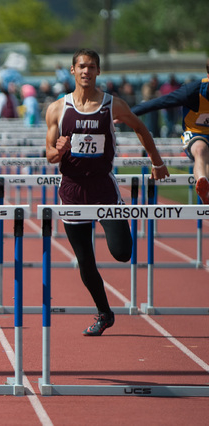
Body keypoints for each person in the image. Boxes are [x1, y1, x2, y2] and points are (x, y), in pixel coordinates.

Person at [45, 49, 170, 336]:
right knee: (85, 262)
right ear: (72, 71)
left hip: (103, 188)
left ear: (98, 72)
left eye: (91, 67)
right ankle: (105, 313)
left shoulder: (112, 105)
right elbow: (50, 154)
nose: (86, 71)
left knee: (123, 252)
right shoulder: (57, 108)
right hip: (72, 190)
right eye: (81, 66)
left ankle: (105, 307)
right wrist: (59, 150)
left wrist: (157, 161)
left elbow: (141, 129)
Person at [132, 62, 209, 204]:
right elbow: (160, 102)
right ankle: (202, 183)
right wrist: (129, 114)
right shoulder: (193, 91)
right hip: (195, 133)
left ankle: (206, 192)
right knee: (201, 150)